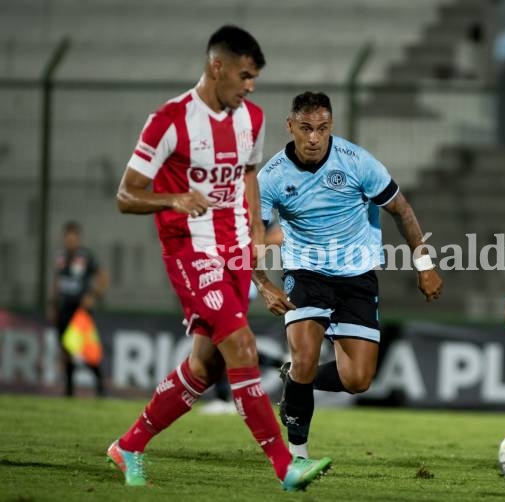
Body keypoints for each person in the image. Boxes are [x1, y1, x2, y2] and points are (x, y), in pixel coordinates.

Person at [107, 25, 331, 491]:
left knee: (205, 367)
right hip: (190, 249)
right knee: (242, 345)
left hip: (232, 248)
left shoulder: (251, 117)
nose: (250, 86)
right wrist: (172, 200)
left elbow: (248, 175)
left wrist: (253, 231)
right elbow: (127, 194)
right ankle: (284, 465)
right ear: (217, 67)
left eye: (254, 79)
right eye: (245, 76)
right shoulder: (169, 120)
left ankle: (128, 446)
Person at [254, 91, 443, 459]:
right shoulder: (272, 177)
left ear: (331, 127)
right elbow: (253, 237)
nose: (313, 138)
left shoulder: (358, 162)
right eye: (306, 128)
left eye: (322, 128)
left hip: (357, 275)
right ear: (290, 126)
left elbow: (401, 210)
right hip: (305, 272)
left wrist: (424, 265)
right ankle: (298, 457)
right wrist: (263, 284)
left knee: (358, 379)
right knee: (306, 356)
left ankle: (293, 380)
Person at [49, 221, 108, 397]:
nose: (70, 241)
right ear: (64, 238)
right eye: (68, 237)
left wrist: (93, 295)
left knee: (85, 349)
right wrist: (52, 304)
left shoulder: (85, 257)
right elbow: (57, 283)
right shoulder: (60, 257)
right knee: (66, 349)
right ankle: (69, 389)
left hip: (80, 312)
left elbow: (103, 277)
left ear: (78, 238)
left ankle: (100, 386)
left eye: (74, 237)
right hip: (63, 309)